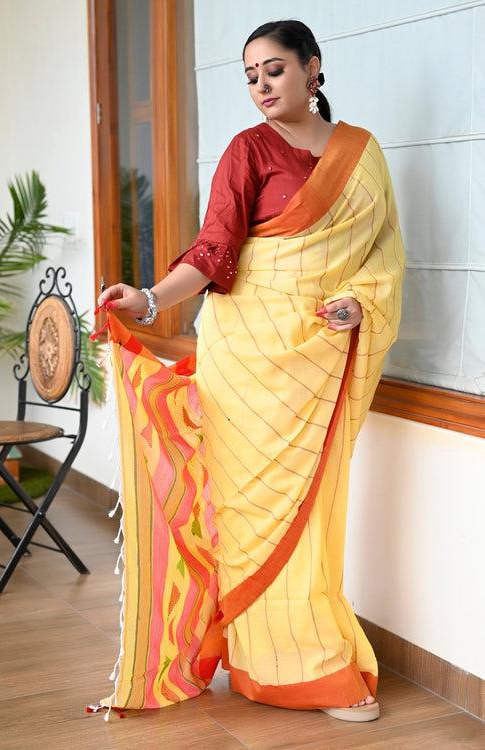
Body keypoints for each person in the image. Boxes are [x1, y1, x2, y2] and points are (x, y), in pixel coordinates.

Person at [89, 19, 405, 724]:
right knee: (253, 515)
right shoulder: (247, 150)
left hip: (319, 361)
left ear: (313, 69)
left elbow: (384, 255)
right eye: (251, 76)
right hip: (248, 362)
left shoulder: (362, 154)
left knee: (312, 513)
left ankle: (312, 656)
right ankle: (277, 664)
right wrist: (145, 298)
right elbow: (212, 252)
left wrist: (361, 302)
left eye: (275, 71)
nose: (262, 86)